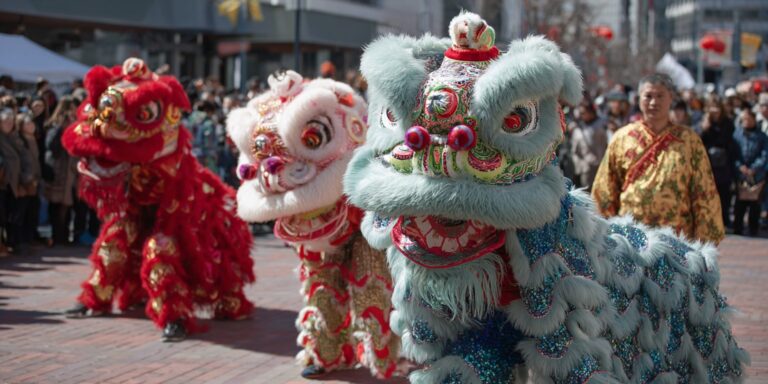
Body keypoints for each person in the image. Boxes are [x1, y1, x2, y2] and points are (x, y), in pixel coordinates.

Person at [592, 73, 724, 244]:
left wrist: (704, 244)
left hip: (677, 241)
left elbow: (704, 192)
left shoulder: (689, 140)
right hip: (630, 240)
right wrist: (605, 236)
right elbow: (604, 191)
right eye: (648, 96)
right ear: (639, 99)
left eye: (660, 96)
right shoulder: (622, 138)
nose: (654, 102)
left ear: (671, 99)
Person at [43, 96, 78, 245]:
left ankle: (63, 236)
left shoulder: (76, 125)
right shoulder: (55, 125)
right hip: (58, 170)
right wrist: (61, 129)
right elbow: (51, 146)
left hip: (70, 171)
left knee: (67, 205)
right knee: (56, 205)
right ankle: (56, 236)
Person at [699, 100, 738, 228]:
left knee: (724, 193)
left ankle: (724, 220)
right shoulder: (705, 123)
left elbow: (727, 141)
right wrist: (705, 127)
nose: (715, 110)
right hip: (709, 164)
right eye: (712, 108)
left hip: (724, 164)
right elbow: (700, 141)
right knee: (709, 193)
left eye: (717, 107)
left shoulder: (727, 123)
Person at [732, 108, 768, 236]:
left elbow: (764, 155)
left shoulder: (762, 136)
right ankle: (738, 228)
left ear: (753, 119)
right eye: (743, 119)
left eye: (748, 119)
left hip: (756, 175)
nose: (746, 121)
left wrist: (754, 168)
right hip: (740, 174)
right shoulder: (737, 134)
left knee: (755, 204)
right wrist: (740, 166)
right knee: (739, 203)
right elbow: (733, 153)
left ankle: (753, 228)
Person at [15, 112, 42, 245]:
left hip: (35, 180)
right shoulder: (19, 141)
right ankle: (20, 240)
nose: (31, 125)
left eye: (32, 123)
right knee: (22, 212)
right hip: (24, 180)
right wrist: (26, 179)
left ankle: (30, 238)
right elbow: (21, 162)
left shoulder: (33, 139)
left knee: (32, 211)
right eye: (27, 124)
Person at [569, 100, 607, 189]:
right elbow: (575, 150)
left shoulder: (602, 124)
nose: (581, 115)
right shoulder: (578, 128)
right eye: (580, 113)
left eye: (583, 113)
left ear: (591, 112)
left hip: (600, 165)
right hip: (585, 168)